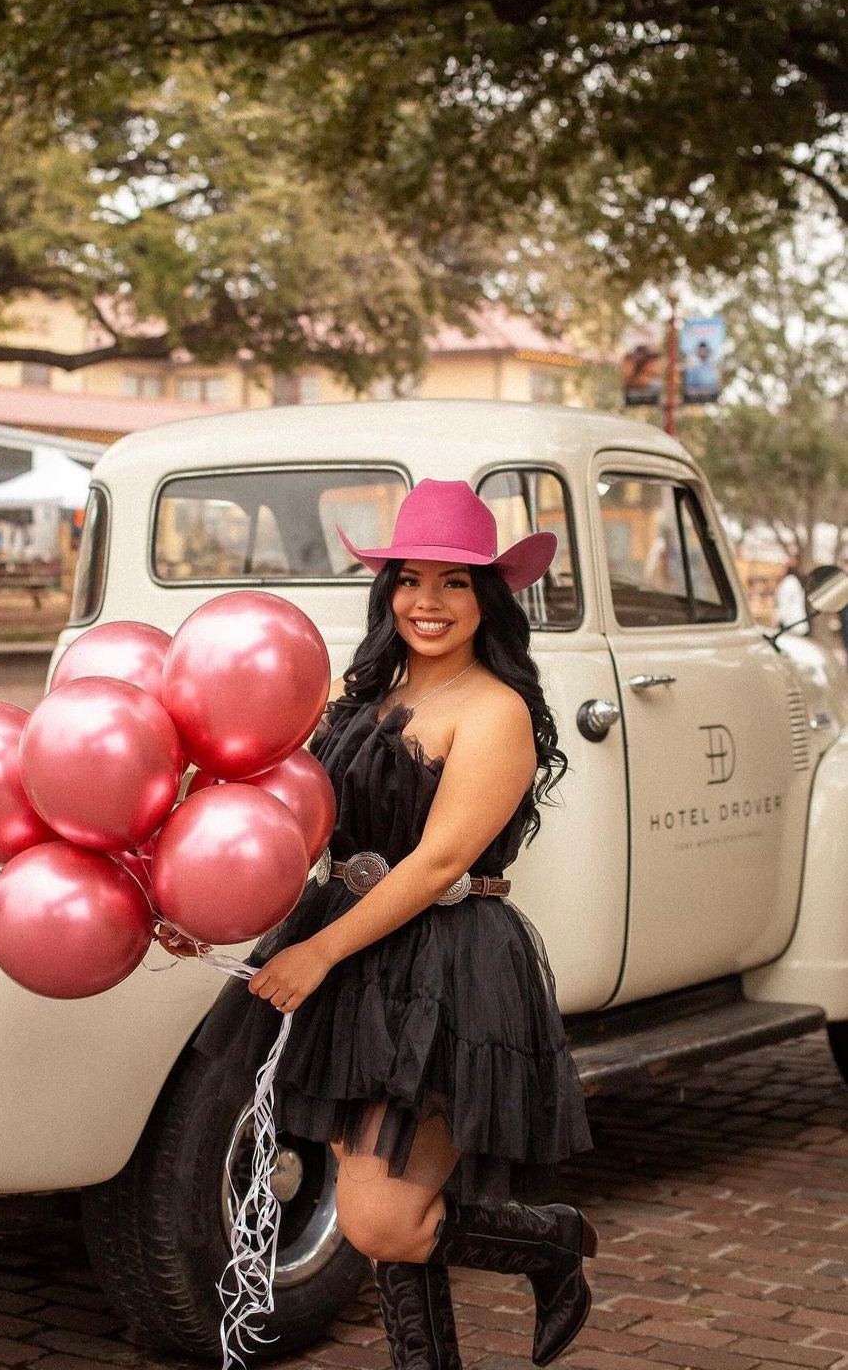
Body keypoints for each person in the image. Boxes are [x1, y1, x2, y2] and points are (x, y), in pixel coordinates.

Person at [195, 479, 595, 1369]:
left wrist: (318, 952)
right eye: (412, 580)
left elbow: (442, 862)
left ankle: (552, 1244)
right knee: (386, 1213)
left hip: (448, 961)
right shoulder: (366, 691)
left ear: (489, 598)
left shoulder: (495, 710)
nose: (429, 602)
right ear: (388, 591)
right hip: (356, 951)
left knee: (382, 1215)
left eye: (456, 584)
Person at [773, 562, 809, 634]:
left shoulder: (788, 583)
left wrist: (776, 621)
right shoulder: (794, 581)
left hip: (791, 624)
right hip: (798, 623)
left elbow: (783, 605)